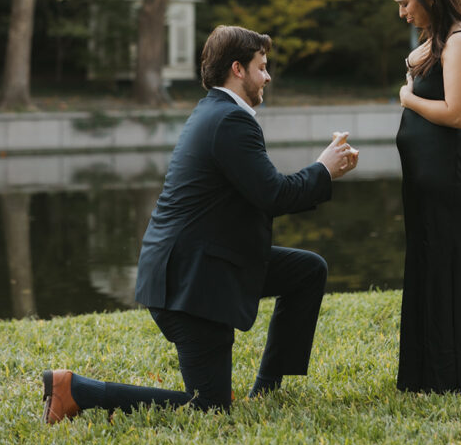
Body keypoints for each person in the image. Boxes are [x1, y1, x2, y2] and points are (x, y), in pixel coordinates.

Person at [41, 25, 358, 424]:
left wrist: (321, 172)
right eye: (262, 67)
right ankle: (74, 389)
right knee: (208, 406)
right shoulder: (229, 121)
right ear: (238, 69)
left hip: (205, 265)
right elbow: (274, 195)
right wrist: (323, 170)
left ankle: (267, 389)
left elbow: (262, 192)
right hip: (191, 284)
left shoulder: (217, 112)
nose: (268, 76)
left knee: (307, 270)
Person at [388, 0, 461, 394]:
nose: (402, 12)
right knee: (428, 265)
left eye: (407, 2)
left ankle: (456, 376)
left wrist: (408, 100)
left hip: (452, 174)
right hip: (427, 176)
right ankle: (425, 374)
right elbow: (419, 60)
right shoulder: (442, 37)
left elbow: (456, 113)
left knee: (450, 266)